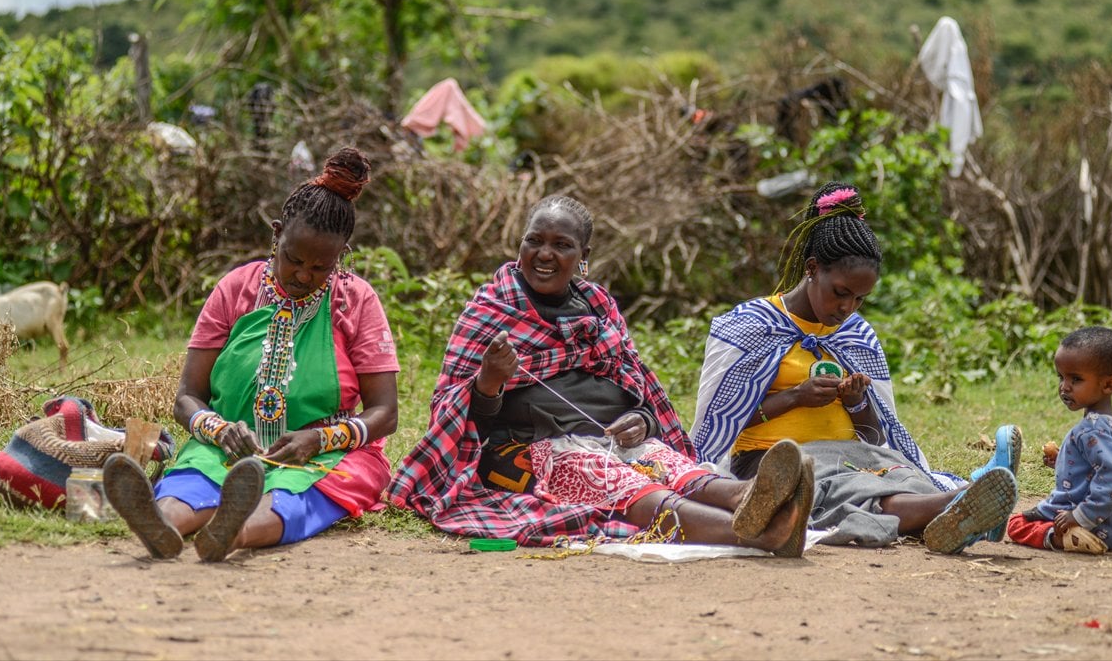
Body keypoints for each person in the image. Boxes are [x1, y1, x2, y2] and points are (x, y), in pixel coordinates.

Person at [389, 195, 812, 554]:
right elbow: (459, 418)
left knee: (667, 463)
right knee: (622, 482)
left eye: (562, 245)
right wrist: (489, 380)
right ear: (519, 245)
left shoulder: (598, 307)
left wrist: (643, 421)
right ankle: (760, 535)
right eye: (534, 241)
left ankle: (747, 496)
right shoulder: (494, 310)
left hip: (614, 438)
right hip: (534, 451)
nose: (544, 254)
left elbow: (638, 389)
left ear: (583, 257)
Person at [104, 147, 400, 561]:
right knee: (196, 475)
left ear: (342, 256)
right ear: (276, 234)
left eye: (321, 268)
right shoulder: (236, 288)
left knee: (299, 496)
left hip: (328, 453)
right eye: (293, 259)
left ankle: (234, 531)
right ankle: (162, 522)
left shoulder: (356, 301)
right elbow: (188, 396)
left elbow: (385, 412)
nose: (303, 275)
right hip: (229, 443)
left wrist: (319, 438)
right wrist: (218, 430)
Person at [690, 182, 1020, 553]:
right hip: (777, 462)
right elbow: (719, 425)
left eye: (861, 299)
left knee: (902, 475)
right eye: (841, 292)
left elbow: (877, 436)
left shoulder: (855, 335)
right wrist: (795, 397)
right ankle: (959, 504)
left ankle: (960, 506)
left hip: (856, 455)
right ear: (812, 269)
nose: (848, 308)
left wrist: (857, 402)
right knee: (850, 491)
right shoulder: (751, 325)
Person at [1006, 327, 1112, 554]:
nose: (1064, 386)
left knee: (1017, 524)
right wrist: (1064, 460)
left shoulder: (1090, 430)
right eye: (1061, 377)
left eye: (1076, 379)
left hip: (1094, 527)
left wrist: (1079, 517)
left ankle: (1063, 539)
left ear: (1108, 384)